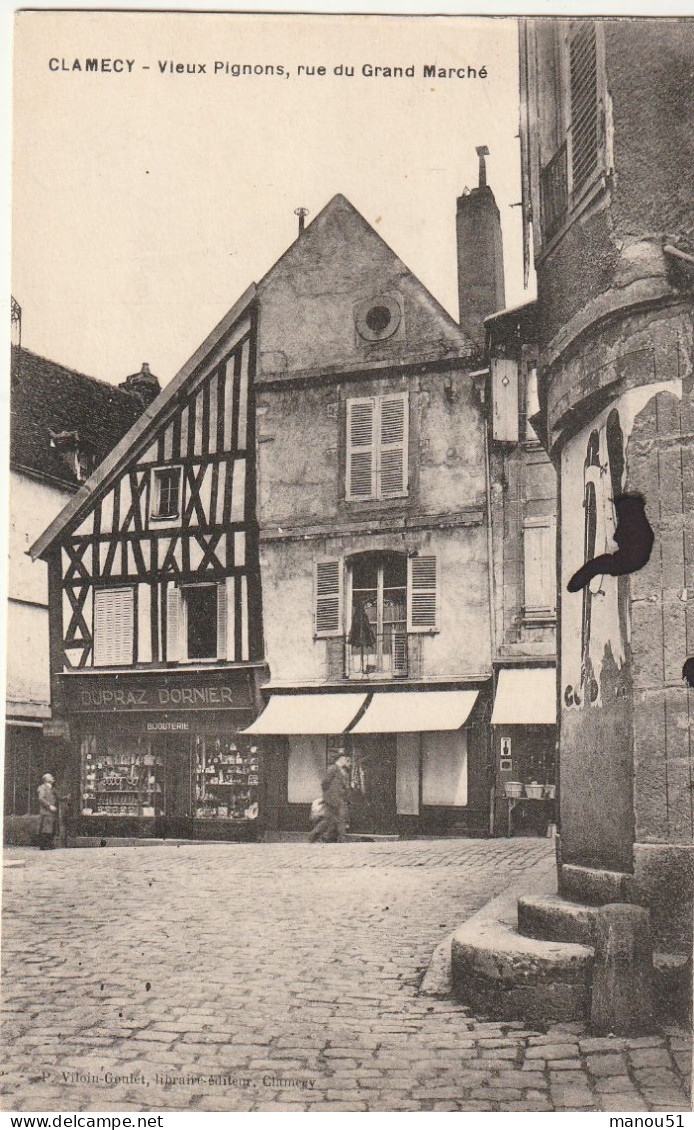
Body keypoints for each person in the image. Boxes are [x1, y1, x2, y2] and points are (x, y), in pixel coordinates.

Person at [309, 754, 351, 843]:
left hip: (338, 798)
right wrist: (329, 795)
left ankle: (315, 836)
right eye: (344, 758)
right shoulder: (333, 769)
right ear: (339, 759)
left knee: (329, 819)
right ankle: (342, 839)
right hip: (333, 798)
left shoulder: (342, 770)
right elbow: (325, 783)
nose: (346, 760)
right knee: (340, 817)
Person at [37, 773, 58, 850]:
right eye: (50, 777)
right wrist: (49, 806)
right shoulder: (42, 788)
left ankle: (49, 845)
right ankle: (44, 845)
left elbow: (58, 797)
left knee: (51, 828)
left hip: (51, 812)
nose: (52, 777)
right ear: (46, 779)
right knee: (46, 829)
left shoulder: (52, 788)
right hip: (46, 812)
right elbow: (41, 798)